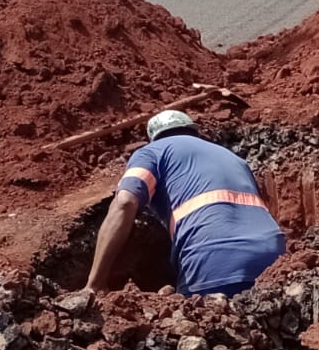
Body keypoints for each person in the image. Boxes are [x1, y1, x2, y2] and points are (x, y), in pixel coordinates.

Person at [85, 110, 286, 297]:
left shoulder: (151, 152)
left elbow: (125, 201)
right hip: (277, 262)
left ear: (154, 137)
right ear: (193, 131)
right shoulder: (236, 159)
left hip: (214, 261)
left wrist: (95, 284)